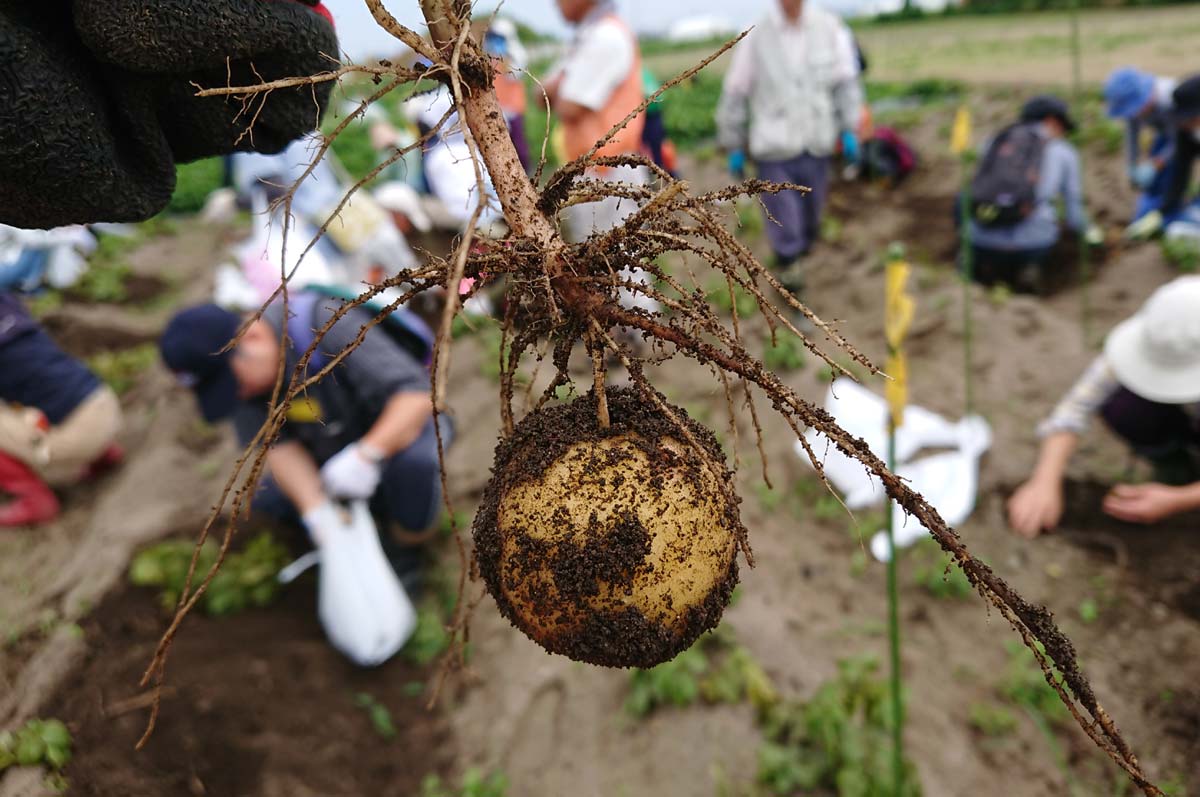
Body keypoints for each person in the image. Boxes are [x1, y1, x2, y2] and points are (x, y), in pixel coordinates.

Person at [161, 291, 448, 588]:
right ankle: (359, 524)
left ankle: (409, 547)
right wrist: (317, 514)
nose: (237, 394)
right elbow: (279, 447)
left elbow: (415, 397)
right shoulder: (245, 388)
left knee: (413, 467)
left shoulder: (326, 325)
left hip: (403, 426)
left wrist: (366, 456)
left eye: (234, 383)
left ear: (253, 338)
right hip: (332, 443)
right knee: (270, 499)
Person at [1008, 276, 1200, 538]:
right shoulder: (1167, 327)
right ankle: (1177, 465)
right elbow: (1076, 406)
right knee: (1123, 405)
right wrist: (1044, 481)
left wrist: (1180, 499)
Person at [716, 0, 864, 294]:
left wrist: (850, 128)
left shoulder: (830, 28)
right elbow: (735, 90)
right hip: (774, 150)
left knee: (810, 222)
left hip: (816, 144)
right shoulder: (757, 36)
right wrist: (733, 142)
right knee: (786, 224)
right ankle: (791, 283)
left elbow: (846, 83)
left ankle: (797, 257)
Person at [0, 292, 122, 527]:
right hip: (103, 401)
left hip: (81, 436)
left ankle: (34, 499)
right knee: (42, 383)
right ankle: (104, 456)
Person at [964, 95, 1100, 293]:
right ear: (1052, 121)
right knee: (1044, 225)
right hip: (1033, 242)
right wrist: (1092, 237)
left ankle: (977, 270)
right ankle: (1030, 268)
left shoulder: (994, 141)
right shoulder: (1064, 152)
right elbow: (1074, 212)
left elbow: (974, 189)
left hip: (980, 239)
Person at [1126, 74, 1200, 240]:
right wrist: (1162, 212)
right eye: (1183, 120)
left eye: (1191, 118)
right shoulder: (1187, 133)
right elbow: (1180, 175)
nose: (1185, 124)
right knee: (1180, 223)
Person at [1103, 67, 1179, 223]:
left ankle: (1169, 214)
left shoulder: (1170, 99)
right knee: (1154, 183)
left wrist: (1157, 164)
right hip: (1164, 133)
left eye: (1135, 109)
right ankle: (1149, 211)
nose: (1135, 114)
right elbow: (1132, 134)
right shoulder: (1136, 110)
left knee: (1171, 173)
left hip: (1185, 133)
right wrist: (1131, 165)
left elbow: (1179, 142)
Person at [486, 19, 533, 175]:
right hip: (496, 109)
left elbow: (514, 75)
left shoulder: (517, 54)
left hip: (513, 110)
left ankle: (526, 178)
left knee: (519, 148)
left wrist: (506, 56)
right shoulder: (489, 54)